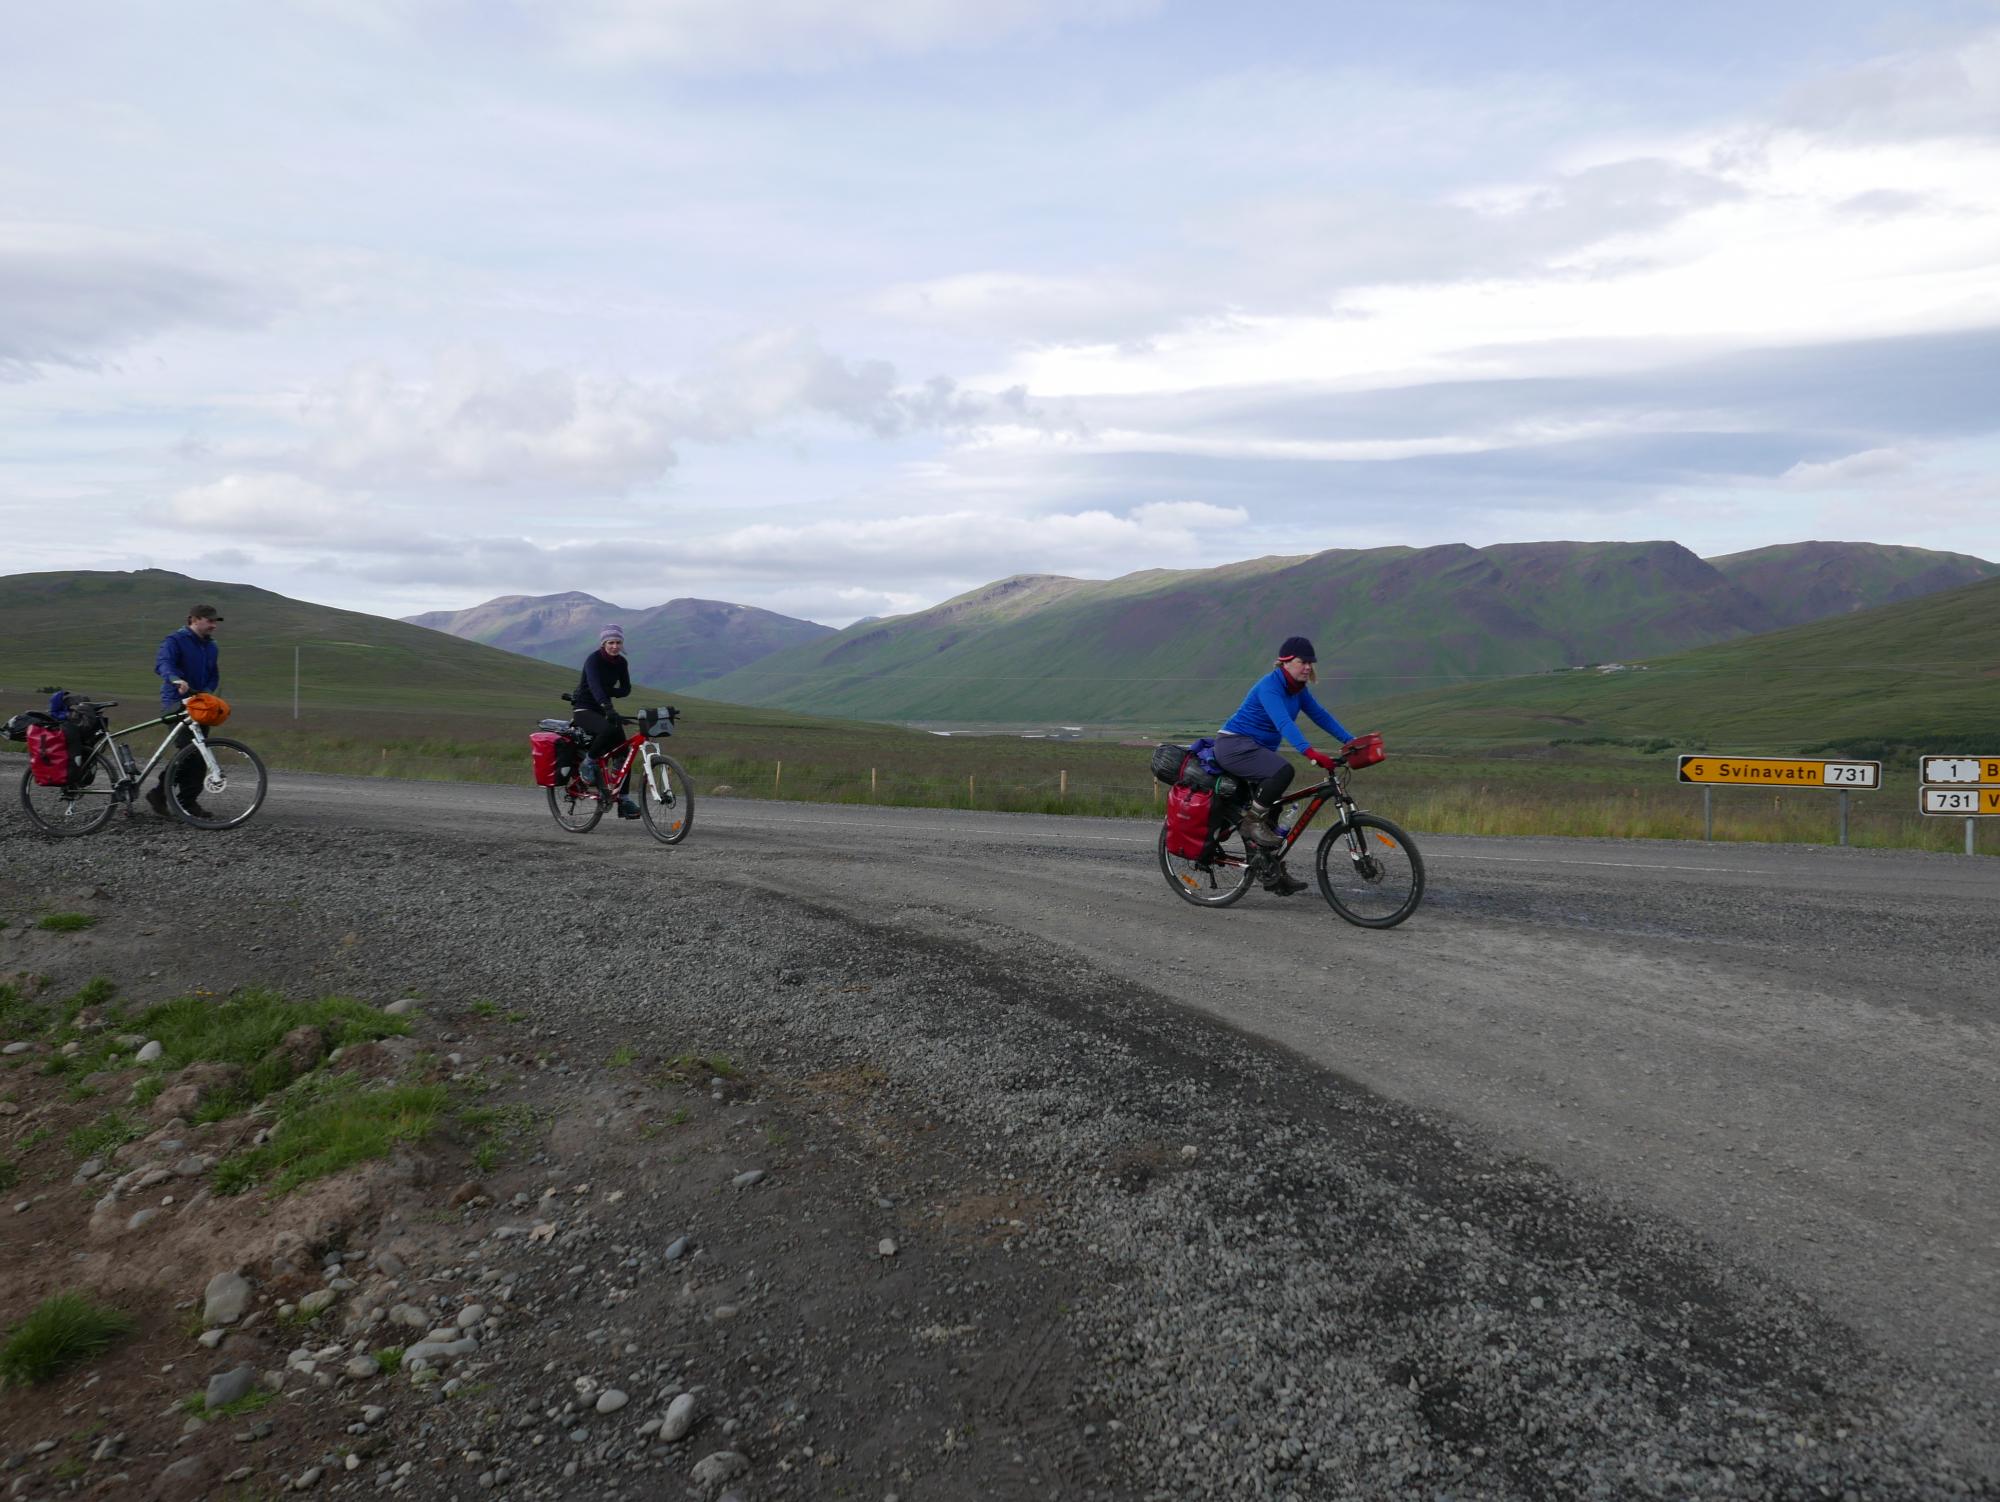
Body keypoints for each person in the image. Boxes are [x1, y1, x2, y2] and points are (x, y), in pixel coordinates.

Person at [1214, 636, 1354, 896]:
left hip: (1256, 751)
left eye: (1311, 663)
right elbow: (1284, 724)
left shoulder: (1298, 690)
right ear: (1286, 662)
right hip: (1234, 746)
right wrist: (1310, 753)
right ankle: (1251, 822)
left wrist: (1350, 741)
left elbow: (1321, 716)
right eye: (1303, 662)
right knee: (1283, 771)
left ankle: (1271, 872)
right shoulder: (1270, 687)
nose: (1308, 667)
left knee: (1275, 810)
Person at [147, 604, 222, 817]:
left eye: (215, 621)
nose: (214, 626)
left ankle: (183, 800)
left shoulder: (212, 646)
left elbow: (213, 675)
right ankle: (168, 796)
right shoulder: (174, 640)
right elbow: (163, 664)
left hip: (200, 704)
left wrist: (206, 692)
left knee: (199, 752)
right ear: (194, 619)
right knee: (191, 752)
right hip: (175, 702)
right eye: (210, 621)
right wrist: (175, 679)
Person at [573, 625, 641, 819]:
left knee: (624, 753)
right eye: (611, 642)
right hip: (585, 709)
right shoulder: (593, 660)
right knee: (608, 729)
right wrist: (607, 705)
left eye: (618, 642)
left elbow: (626, 689)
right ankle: (588, 762)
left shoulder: (621, 663)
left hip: (605, 709)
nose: (614, 646)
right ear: (603, 644)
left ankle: (624, 800)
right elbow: (594, 686)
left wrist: (610, 694)